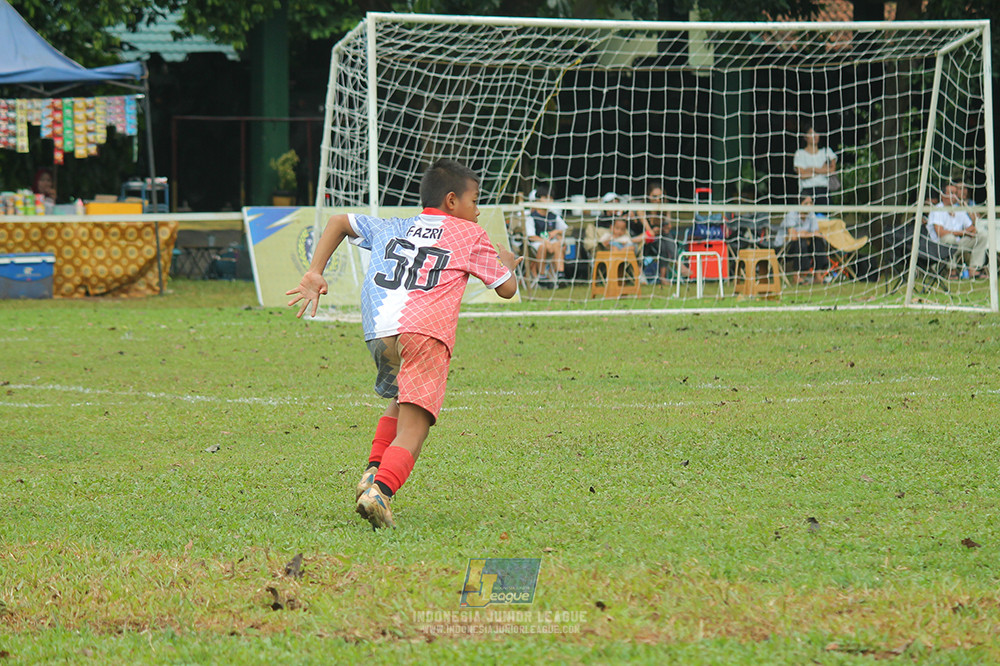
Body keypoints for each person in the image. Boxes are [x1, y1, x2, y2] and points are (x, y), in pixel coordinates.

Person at [285, 159, 521, 529]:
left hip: (379, 329)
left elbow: (338, 222)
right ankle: (381, 491)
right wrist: (506, 264)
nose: (478, 209)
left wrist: (315, 271)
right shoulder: (469, 234)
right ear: (451, 201)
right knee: (416, 427)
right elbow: (506, 289)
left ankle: (371, 472)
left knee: (400, 399)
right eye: (475, 200)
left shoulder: (395, 225)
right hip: (425, 332)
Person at [927, 183, 990, 279]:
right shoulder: (937, 210)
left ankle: (974, 269)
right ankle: (951, 271)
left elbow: (972, 228)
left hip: (958, 243)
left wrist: (967, 209)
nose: (954, 196)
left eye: (956, 193)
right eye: (951, 193)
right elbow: (940, 233)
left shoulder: (959, 209)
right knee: (950, 238)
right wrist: (962, 233)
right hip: (940, 246)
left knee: (982, 235)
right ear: (943, 195)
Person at [778, 195, 832, 284]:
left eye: (811, 203)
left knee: (818, 242)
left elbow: (817, 234)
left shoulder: (812, 215)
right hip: (784, 248)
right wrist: (807, 234)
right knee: (800, 242)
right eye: (806, 203)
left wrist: (805, 234)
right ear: (799, 204)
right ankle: (797, 277)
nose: (809, 205)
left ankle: (818, 275)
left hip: (805, 245)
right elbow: (793, 237)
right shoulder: (791, 215)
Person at [524, 184, 568, 286]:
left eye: (551, 198)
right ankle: (542, 275)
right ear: (538, 199)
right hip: (537, 245)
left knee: (557, 244)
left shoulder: (553, 216)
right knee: (542, 246)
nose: (549, 201)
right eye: (546, 198)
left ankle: (560, 274)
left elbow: (565, 229)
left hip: (551, 244)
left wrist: (555, 232)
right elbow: (531, 236)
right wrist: (544, 241)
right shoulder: (532, 217)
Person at [793, 125, 837, 206]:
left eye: (816, 133)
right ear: (805, 137)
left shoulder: (827, 151)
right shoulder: (800, 153)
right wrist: (822, 170)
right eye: (811, 133)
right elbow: (802, 175)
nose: (814, 136)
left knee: (824, 217)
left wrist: (812, 169)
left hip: (823, 191)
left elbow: (832, 170)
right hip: (807, 191)